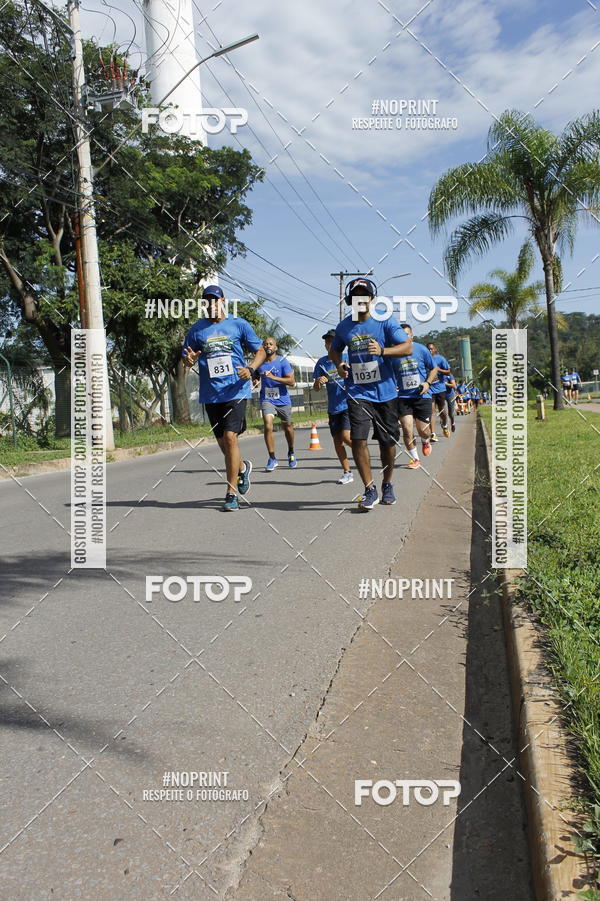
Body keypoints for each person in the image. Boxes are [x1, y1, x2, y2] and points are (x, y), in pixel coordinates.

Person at [329, 278, 412, 510]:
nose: (360, 299)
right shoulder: (344, 327)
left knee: (387, 442)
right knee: (358, 439)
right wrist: (339, 364)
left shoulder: (386, 321)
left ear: (372, 299)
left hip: (385, 392)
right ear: (350, 300)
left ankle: (387, 483)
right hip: (358, 391)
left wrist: (383, 350)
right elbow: (335, 350)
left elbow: (407, 347)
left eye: (364, 295)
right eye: (356, 295)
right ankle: (369, 488)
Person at [182, 285, 266, 511]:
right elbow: (186, 356)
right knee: (223, 444)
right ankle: (242, 468)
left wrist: (251, 368)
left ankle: (231, 493)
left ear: (223, 301)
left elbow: (260, 351)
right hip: (211, 393)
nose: (211, 304)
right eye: (207, 300)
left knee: (230, 437)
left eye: (215, 299)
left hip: (236, 390)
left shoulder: (238, 324)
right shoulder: (197, 329)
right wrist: (188, 360)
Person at [312, 329, 353, 484]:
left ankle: (361, 452)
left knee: (346, 437)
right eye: (327, 341)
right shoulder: (322, 363)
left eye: (332, 341)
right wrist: (318, 382)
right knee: (337, 441)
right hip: (333, 407)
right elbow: (315, 388)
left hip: (348, 404)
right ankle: (347, 472)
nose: (329, 344)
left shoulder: (348, 358)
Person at [395, 324, 438, 470]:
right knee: (407, 429)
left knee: (423, 431)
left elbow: (434, 368)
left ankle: (425, 441)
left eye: (407, 334)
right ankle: (415, 458)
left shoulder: (421, 349)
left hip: (422, 395)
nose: (404, 337)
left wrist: (427, 383)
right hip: (403, 397)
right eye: (401, 335)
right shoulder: (393, 352)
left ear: (412, 335)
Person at [255, 337, 297, 471]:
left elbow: (292, 381)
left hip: (283, 400)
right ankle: (272, 458)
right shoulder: (259, 362)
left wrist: (273, 377)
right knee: (268, 426)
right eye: (266, 344)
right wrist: (255, 379)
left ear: (275, 347)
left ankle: (291, 452)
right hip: (267, 399)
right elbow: (255, 374)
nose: (268, 346)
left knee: (288, 427)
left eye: (271, 344)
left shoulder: (282, 362)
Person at [426, 343, 451, 439]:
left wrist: (438, 369)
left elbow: (448, 371)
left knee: (442, 411)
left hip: (440, 389)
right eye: (428, 349)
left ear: (435, 349)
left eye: (431, 349)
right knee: (432, 412)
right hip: (430, 389)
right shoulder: (424, 359)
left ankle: (444, 425)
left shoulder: (440, 359)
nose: (430, 350)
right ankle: (433, 434)